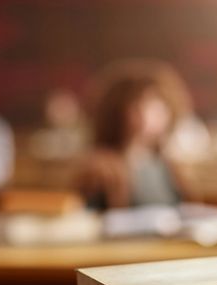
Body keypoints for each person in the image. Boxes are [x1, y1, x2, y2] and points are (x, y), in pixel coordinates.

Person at [76, 60, 194, 209]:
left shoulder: (165, 166)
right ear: (117, 112)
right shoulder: (101, 170)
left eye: (157, 105)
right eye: (137, 106)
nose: (146, 115)